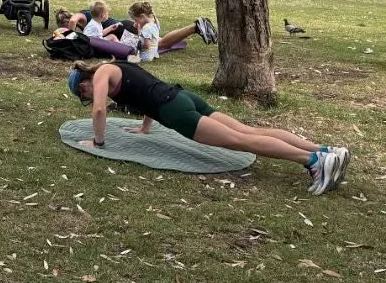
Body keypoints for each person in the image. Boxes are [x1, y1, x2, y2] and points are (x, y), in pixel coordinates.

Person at [67, 59, 350, 194]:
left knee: (241, 141)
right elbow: (143, 92)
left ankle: (313, 162)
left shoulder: (102, 72)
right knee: (249, 131)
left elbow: (100, 109)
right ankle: (327, 151)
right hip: (183, 97)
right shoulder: (118, 65)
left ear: (83, 85)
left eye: (84, 95)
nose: (89, 97)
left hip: (176, 112)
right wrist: (144, 127)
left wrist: (99, 141)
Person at [128, 2, 218, 54]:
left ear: (142, 16)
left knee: (161, 43)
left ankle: (196, 26)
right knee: (162, 43)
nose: (134, 23)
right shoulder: (149, 20)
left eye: (135, 20)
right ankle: (196, 27)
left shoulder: (148, 25)